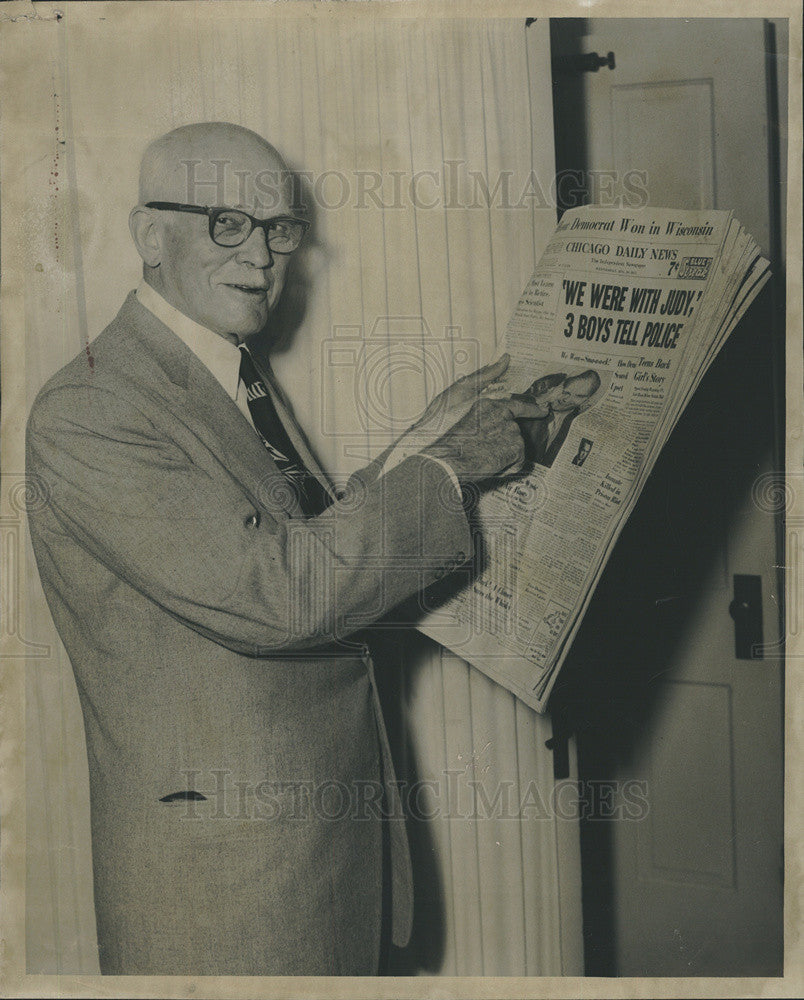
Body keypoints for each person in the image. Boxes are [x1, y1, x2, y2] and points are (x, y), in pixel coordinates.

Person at [25, 122, 542, 976]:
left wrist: (428, 441)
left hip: (315, 859)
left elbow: (303, 541)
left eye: (279, 228)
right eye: (228, 223)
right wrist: (446, 469)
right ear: (149, 235)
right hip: (225, 894)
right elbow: (279, 593)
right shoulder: (93, 408)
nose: (262, 255)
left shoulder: (227, 370)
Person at [516, 370, 601, 468]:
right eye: (566, 392)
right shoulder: (531, 410)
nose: (566, 399)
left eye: (579, 396)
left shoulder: (578, 422)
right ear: (558, 388)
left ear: (588, 399)